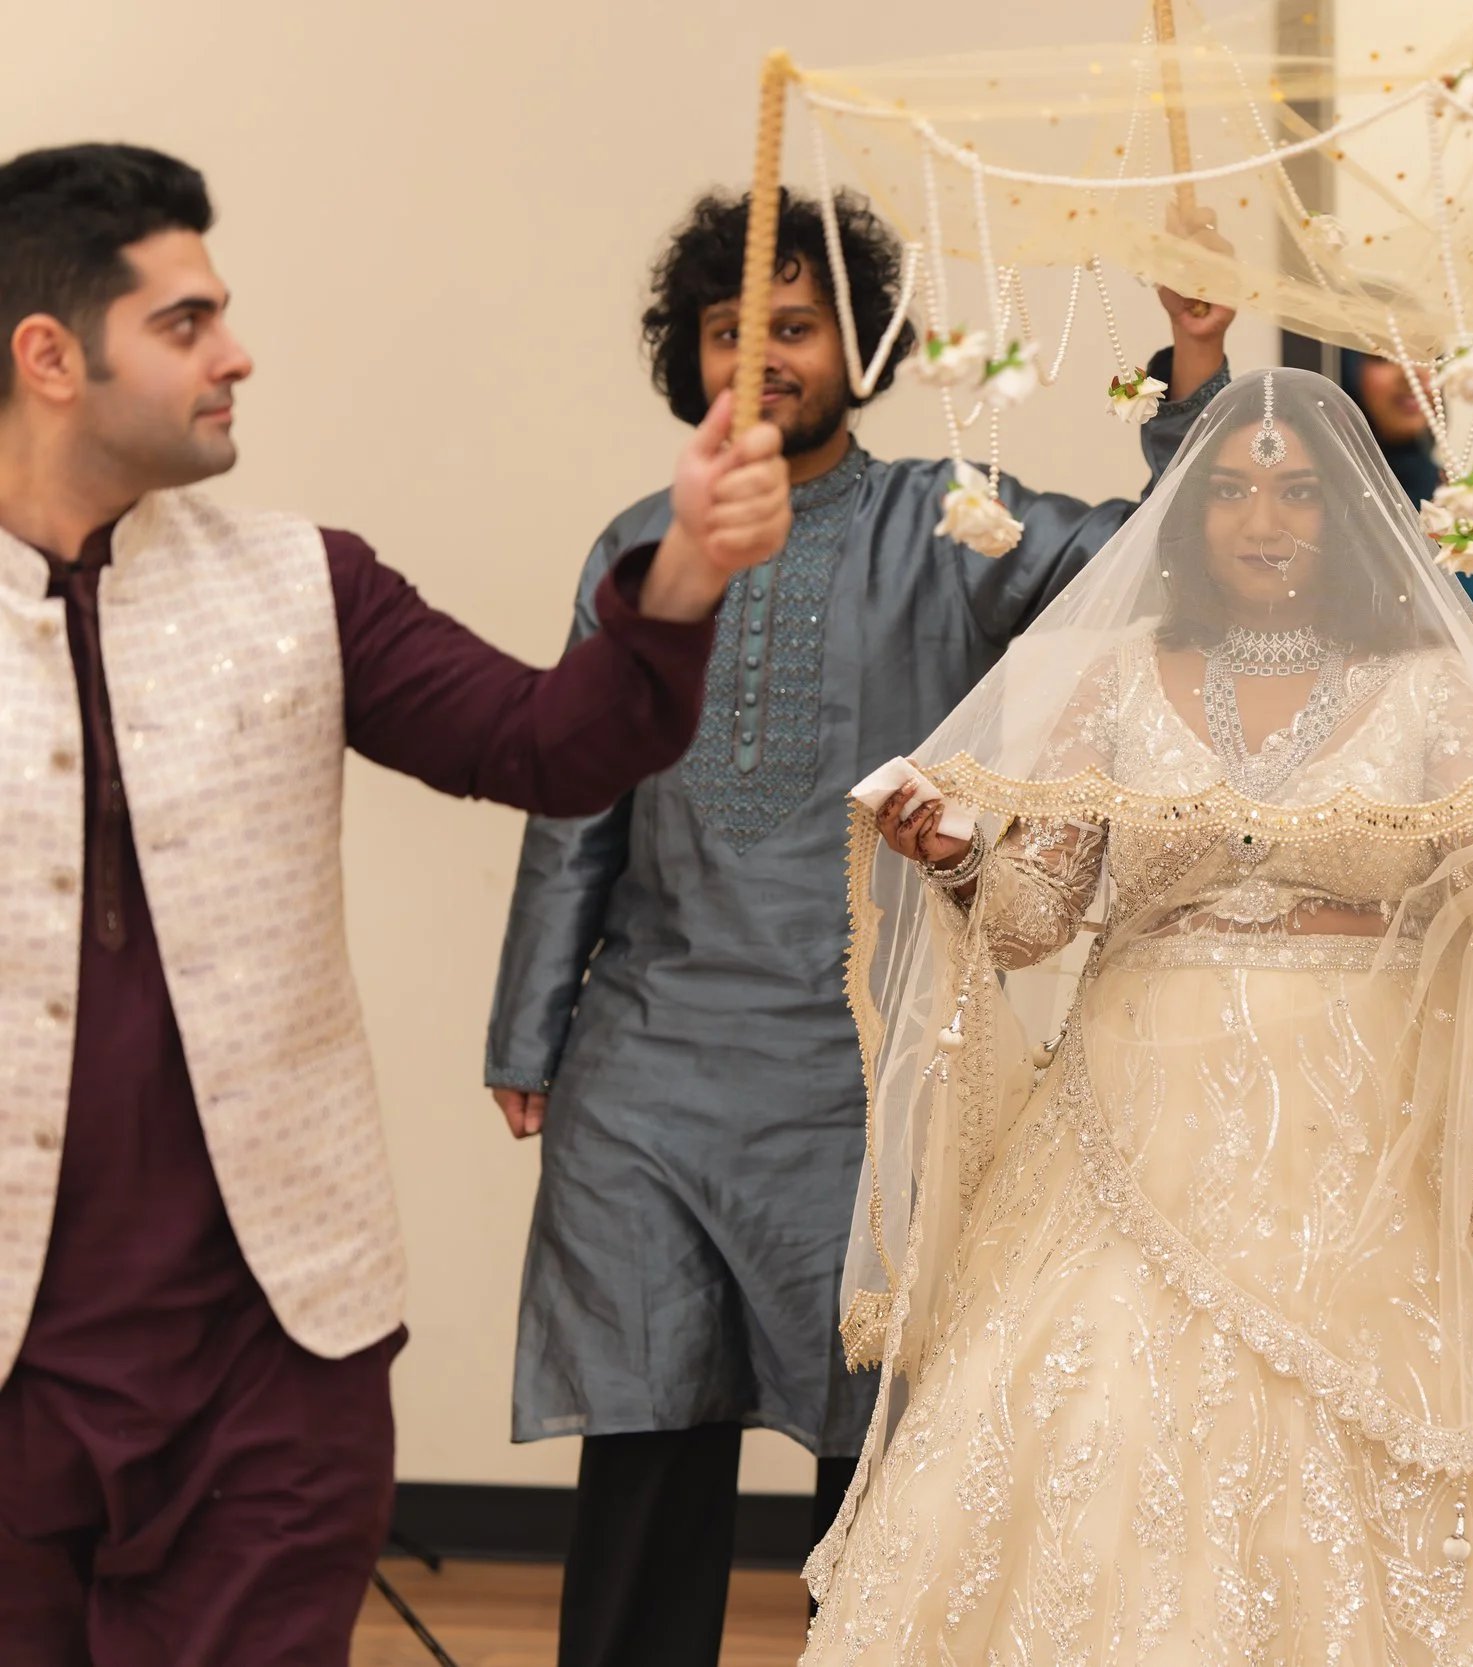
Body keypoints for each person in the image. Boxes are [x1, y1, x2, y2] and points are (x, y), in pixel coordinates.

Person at [798, 368, 1473, 1665]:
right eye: (1229, 491)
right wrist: (959, 860)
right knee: (1105, 1413)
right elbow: (1039, 917)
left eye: (1295, 491)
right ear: (1189, 516)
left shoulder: (1434, 685)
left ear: (1349, 514)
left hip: (1378, 1124)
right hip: (1130, 1106)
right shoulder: (1114, 682)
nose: (1261, 519)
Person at [0, 144, 786, 1666]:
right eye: (185, 323)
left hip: (270, 1356)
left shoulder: (309, 584)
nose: (239, 352)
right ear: (48, 355)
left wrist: (684, 566)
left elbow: (555, 746)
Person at [480, 185, 1232, 1667]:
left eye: (792, 325)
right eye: (722, 330)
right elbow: (580, 795)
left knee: (872, 1463)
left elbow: (1160, 562)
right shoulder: (641, 543)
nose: (756, 355)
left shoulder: (955, 518)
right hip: (644, 1070)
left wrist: (1193, 369)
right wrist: (530, 1022)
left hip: (861, 1065)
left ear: (856, 344)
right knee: (645, 1436)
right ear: (683, 355)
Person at [1341, 348, 1473, 709]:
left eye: (1427, 355)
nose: (1412, 374)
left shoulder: (1452, 494)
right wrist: (1460, 668)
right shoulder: (1319, 503)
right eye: (1382, 356)